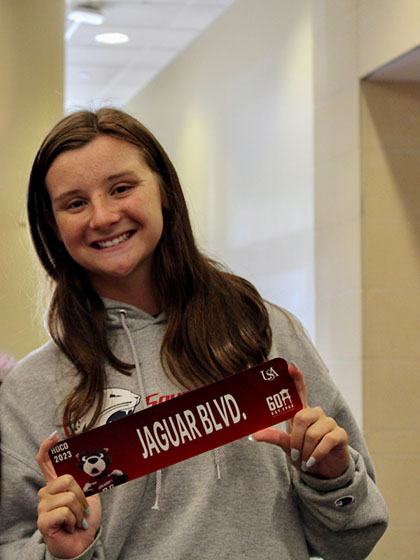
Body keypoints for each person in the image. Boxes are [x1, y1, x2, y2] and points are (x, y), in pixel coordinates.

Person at [0, 108, 388, 560]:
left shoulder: (264, 333)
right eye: (75, 203)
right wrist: (64, 554)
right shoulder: (31, 389)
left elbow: (355, 538)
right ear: (53, 224)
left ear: (163, 190)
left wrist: (332, 479)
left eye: (121, 188)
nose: (103, 216)